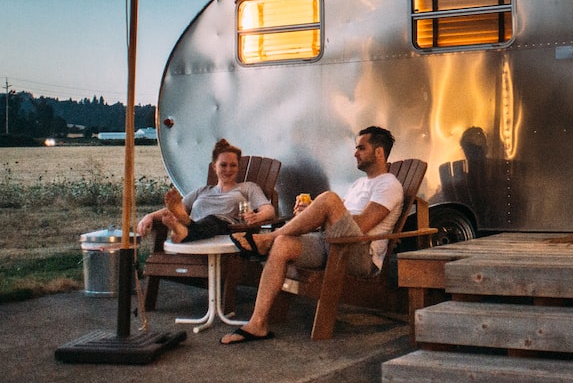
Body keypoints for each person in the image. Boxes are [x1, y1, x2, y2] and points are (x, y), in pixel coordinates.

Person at [220, 126, 403, 344]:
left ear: (379, 152)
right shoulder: (359, 184)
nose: (355, 153)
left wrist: (323, 210)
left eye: (361, 148)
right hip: (333, 243)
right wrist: (309, 214)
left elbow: (362, 225)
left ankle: (266, 239)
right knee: (284, 243)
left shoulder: (389, 184)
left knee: (327, 199)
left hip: (360, 253)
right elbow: (339, 217)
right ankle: (257, 323)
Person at [137, 138, 276, 245]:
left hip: (224, 232)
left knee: (212, 220)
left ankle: (185, 226)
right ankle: (186, 226)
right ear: (214, 167)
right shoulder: (202, 191)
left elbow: (269, 210)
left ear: (238, 167)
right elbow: (172, 210)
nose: (229, 169)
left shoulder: (248, 187)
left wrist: (257, 217)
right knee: (189, 217)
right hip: (196, 237)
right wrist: (149, 216)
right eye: (223, 165)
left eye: (233, 165)